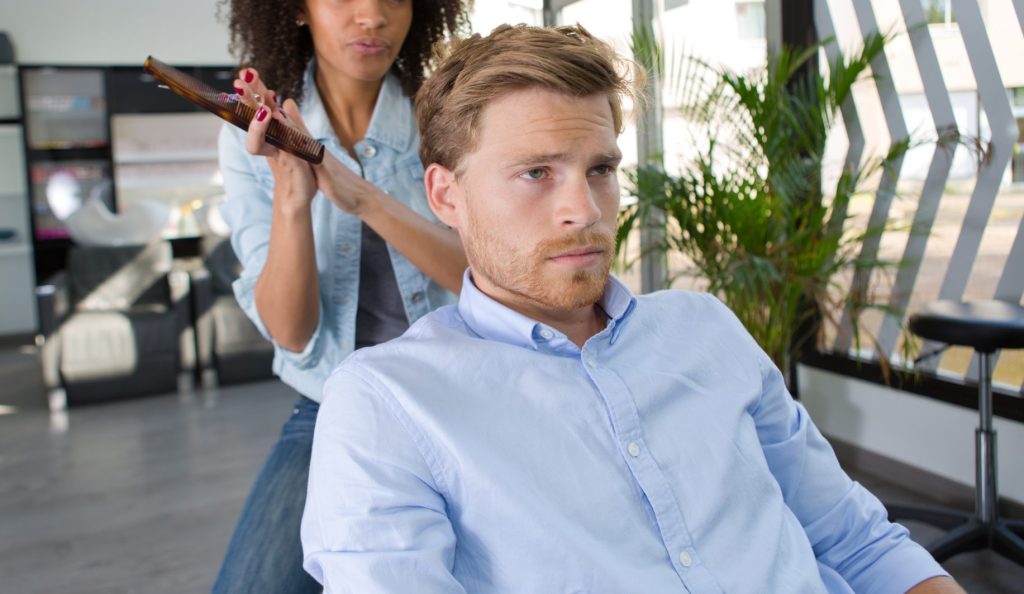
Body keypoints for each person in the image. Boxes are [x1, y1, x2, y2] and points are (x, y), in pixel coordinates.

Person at [300, 24, 966, 593]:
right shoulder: (388, 404)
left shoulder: (705, 330)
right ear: (446, 196)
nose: (585, 212)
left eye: (600, 170)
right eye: (537, 173)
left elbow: (859, 543)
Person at [211, 0, 471, 591]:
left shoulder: (452, 115)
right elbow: (292, 332)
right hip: (333, 410)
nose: (372, 16)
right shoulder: (252, 133)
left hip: (464, 397)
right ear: (296, 10)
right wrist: (292, 197)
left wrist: (362, 198)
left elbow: (487, 279)